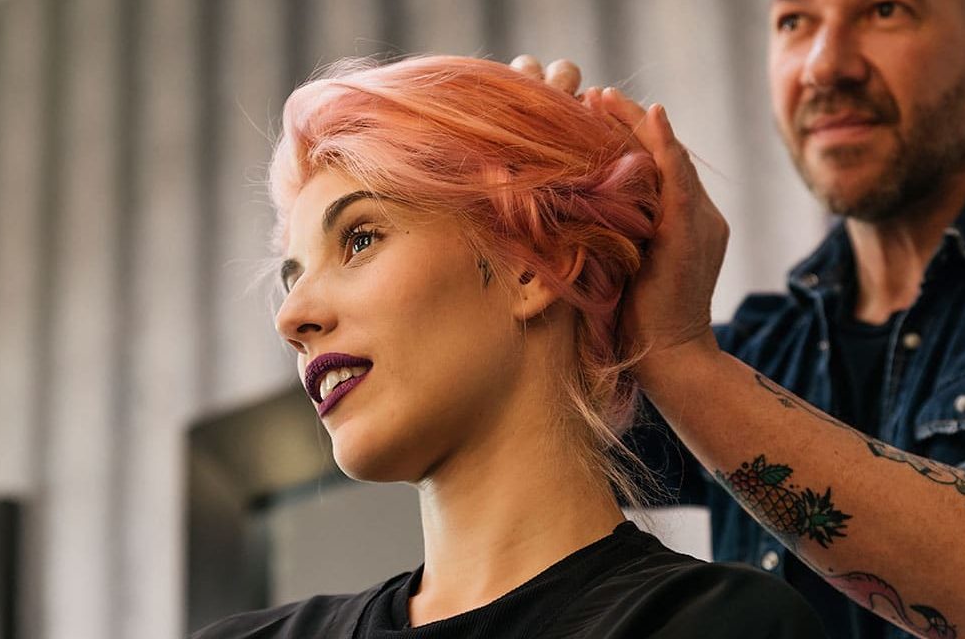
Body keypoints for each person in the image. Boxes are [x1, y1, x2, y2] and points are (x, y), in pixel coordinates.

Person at [516, 0, 965, 639]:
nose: (824, 66)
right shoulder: (761, 348)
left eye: (885, 10)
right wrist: (533, 239)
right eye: (793, 22)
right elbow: (527, 434)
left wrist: (678, 355)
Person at [191, 56, 826, 638]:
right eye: (292, 275)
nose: (292, 318)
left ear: (536, 266)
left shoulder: (710, 625)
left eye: (359, 239)